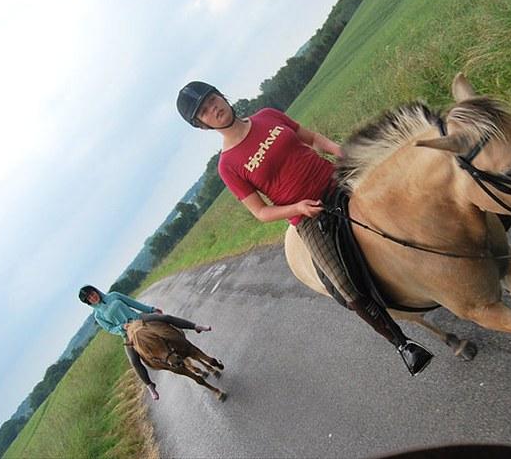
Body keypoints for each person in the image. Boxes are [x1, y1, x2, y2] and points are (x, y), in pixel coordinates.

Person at [176, 81, 433, 375]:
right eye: (205, 111)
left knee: (406, 186)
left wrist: (343, 153)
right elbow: (260, 211)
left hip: (337, 179)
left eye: (213, 99)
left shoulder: (268, 116)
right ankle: (403, 344)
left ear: (222, 95)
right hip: (310, 216)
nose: (215, 108)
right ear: (202, 124)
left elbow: (310, 138)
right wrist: (297, 209)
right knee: (344, 285)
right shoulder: (228, 165)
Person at [78, 285, 212, 400]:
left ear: (95, 291)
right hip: (127, 333)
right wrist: (121, 327)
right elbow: (110, 328)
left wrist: (151, 309)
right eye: (89, 298)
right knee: (134, 361)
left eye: (92, 293)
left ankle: (196, 327)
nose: (92, 297)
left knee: (165, 317)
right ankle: (150, 385)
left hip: (139, 318)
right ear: (88, 302)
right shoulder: (98, 316)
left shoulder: (113, 295)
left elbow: (132, 303)